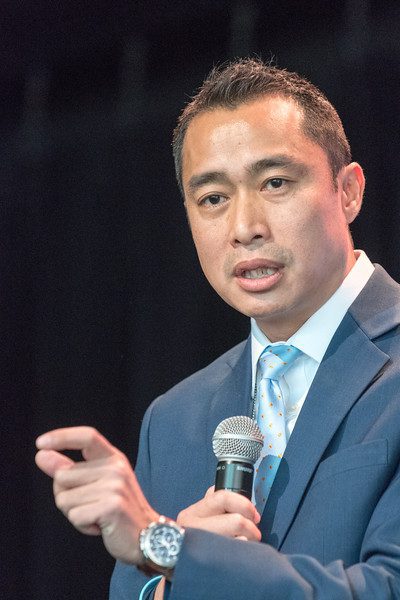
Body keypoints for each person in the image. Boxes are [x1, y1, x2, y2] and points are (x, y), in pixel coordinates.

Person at [35, 59, 400, 599]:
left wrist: (179, 554)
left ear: (348, 192)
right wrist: (169, 585)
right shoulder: (173, 420)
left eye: (275, 183)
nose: (245, 228)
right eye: (212, 199)